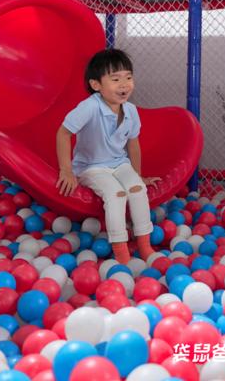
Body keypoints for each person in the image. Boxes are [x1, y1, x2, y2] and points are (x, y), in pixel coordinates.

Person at [55, 48, 160, 264]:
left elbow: (133, 144)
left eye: (128, 78)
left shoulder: (130, 110)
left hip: (118, 164)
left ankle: (144, 245)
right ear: (96, 85)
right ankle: (121, 252)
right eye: (115, 79)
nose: (124, 85)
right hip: (91, 166)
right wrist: (66, 170)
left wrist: (138, 175)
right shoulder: (90, 107)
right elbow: (63, 133)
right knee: (116, 194)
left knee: (137, 189)